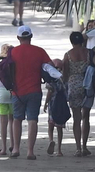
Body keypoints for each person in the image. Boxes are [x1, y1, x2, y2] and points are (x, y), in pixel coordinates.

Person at [5, 25, 56, 159]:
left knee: (17, 119)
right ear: (31, 37)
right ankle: (30, 151)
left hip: (17, 92)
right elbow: (51, 66)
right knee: (32, 120)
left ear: (18, 38)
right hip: (34, 90)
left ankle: (15, 148)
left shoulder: (13, 52)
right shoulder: (39, 51)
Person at [61, 31, 94, 156]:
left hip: (73, 85)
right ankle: (85, 146)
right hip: (87, 86)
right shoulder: (88, 53)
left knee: (76, 118)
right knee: (86, 117)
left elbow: (65, 74)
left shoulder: (68, 55)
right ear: (82, 41)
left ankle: (78, 148)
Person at [0, 43, 15, 155]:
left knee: (3, 122)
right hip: (13, 93)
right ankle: (14, 146)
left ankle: (4, 148)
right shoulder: (15, 65)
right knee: (13, 121)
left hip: (1, 94)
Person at [44, 62, 72, 155]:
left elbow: (49, 93)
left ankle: (51, 140)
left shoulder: (51, 79)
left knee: (51, 125)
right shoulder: (65, 79)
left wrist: (45, 103)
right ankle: (59, 150)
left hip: (52, 105)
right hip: (62, 105)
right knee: (59, 128)